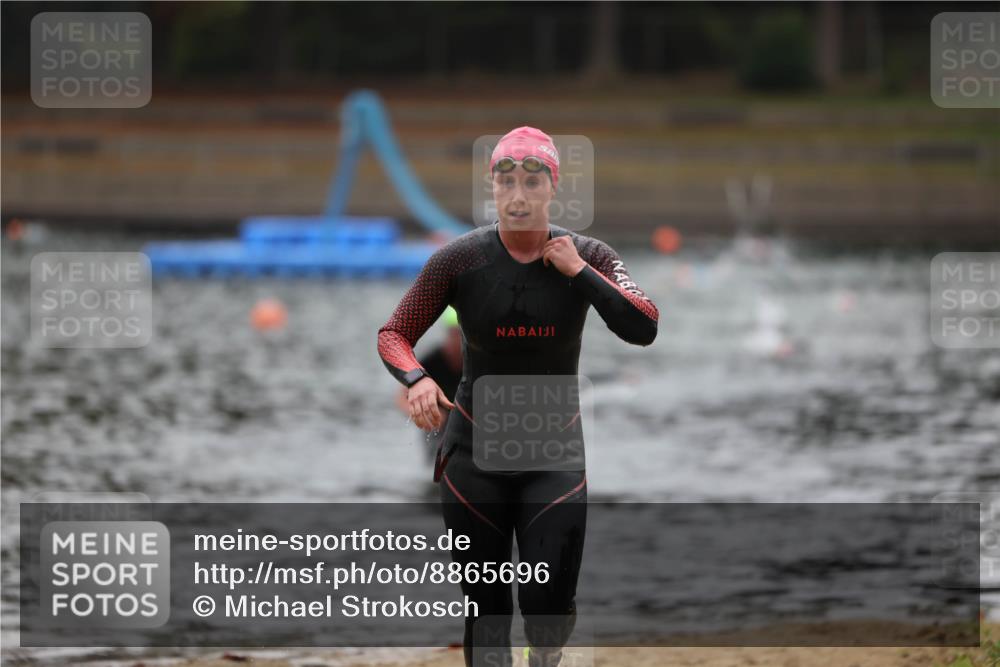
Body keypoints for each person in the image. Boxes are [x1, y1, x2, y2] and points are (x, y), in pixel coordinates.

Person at [377, 127, 658, 667]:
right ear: (493, 188)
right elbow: (394, 334)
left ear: (553, 187)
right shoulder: (458, 261)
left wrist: (579, 273)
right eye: (506, 181)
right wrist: (417, 379)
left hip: (553, 458)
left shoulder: (591, 253)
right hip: (472, 456)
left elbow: (643, 326)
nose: (519, 194)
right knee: (487, 610)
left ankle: (546, 650)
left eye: (532, 181)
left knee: (546, 604)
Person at [395, 306, 464, 467]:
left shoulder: (478, 362)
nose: (458, 341)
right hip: (438, 424)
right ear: (447, 335)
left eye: (462, 335)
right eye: (454, 335)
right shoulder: (432, 361)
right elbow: (401, 398)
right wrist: (423, 412)